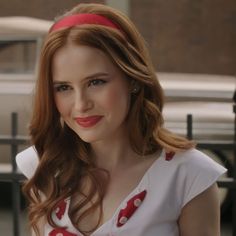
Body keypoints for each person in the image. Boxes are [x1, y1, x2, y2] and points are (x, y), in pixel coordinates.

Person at [16, 3, 226, 236]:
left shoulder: (188, 176)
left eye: (96, 82)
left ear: (133, 79)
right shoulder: (44, 166)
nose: (80, 104)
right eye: (64, 87)